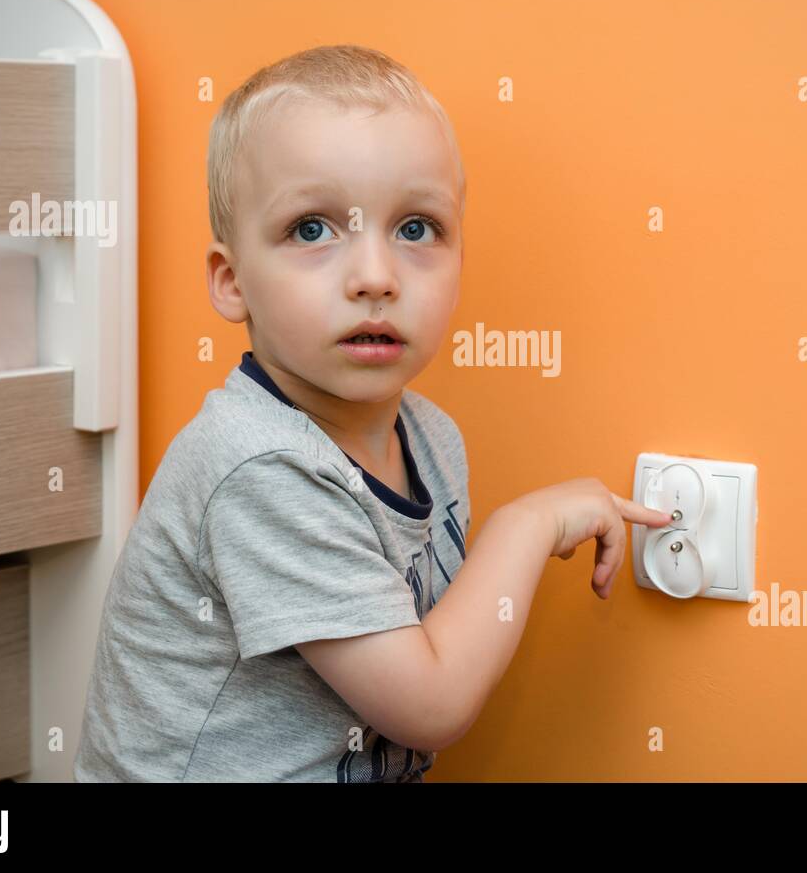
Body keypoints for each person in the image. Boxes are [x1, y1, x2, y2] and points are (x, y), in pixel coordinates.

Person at [74, 44, 672, 782]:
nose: (375, 277)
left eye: (416, 228)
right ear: (232, 283)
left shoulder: (432, 439)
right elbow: (430, 703)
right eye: (313, 229)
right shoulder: (259, 467)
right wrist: (528, 524)